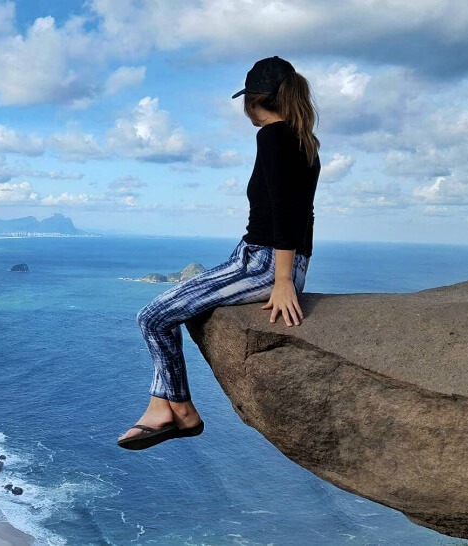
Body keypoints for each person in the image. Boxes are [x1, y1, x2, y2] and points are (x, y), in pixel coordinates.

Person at [118, 56, 321, 451]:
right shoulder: (304, 141)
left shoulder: (274, 136)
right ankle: (161, 405)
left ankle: (179, 408)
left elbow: (286, 211)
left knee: (152, 317)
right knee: (162, 314)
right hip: (266, 258)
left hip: (264, 262)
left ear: (254, 100)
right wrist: (294, 270)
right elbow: (303, 212)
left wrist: (282, 281)